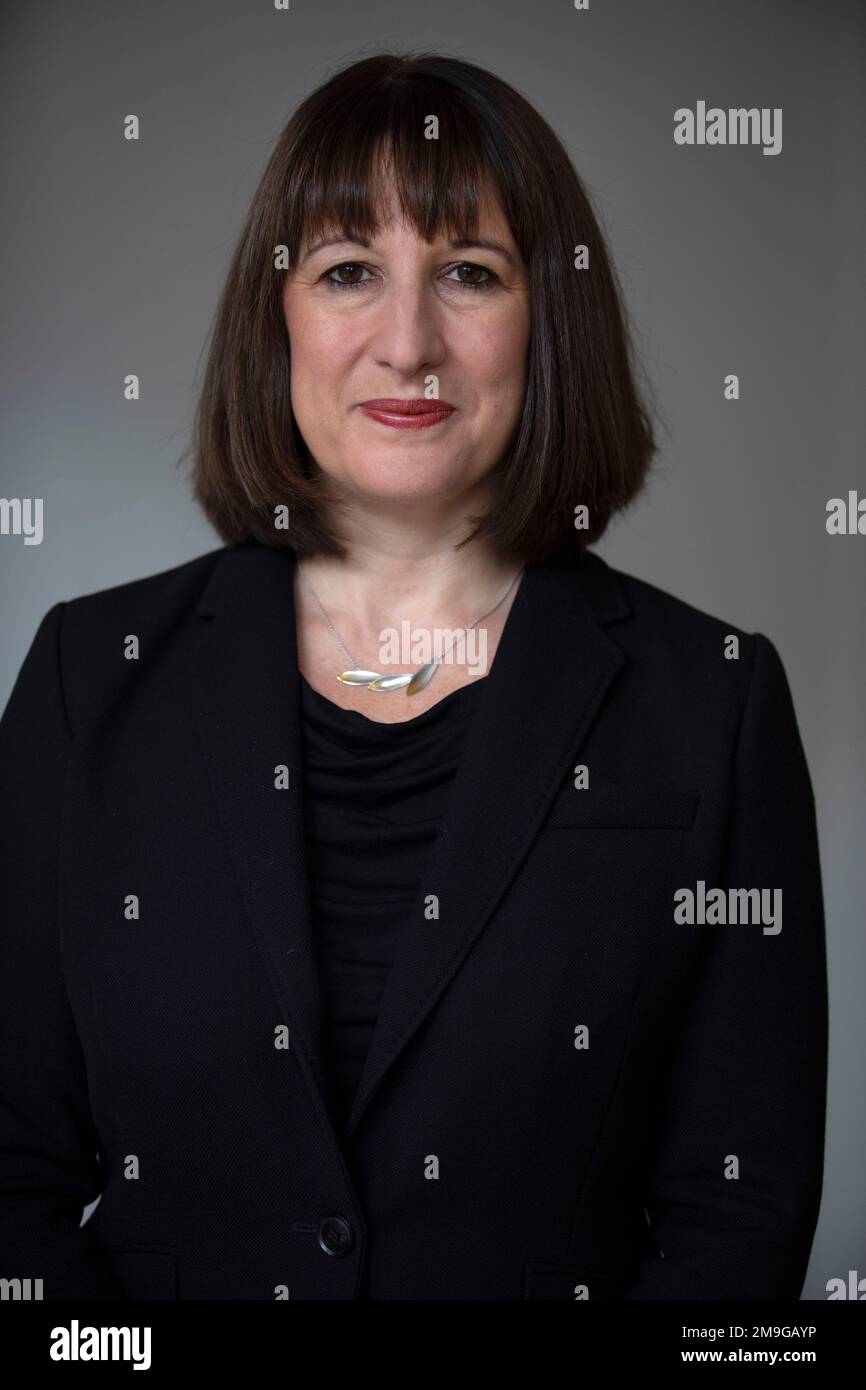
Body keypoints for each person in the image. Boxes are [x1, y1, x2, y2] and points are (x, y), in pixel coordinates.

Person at [0, 51, 826, 1301]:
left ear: (549, 317)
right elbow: (6, 1175)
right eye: (346, 272)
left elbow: (736, 1213)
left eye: (468, 274)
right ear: (273, 321)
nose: (407, 340)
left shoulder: (711, 702)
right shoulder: (86, 678)